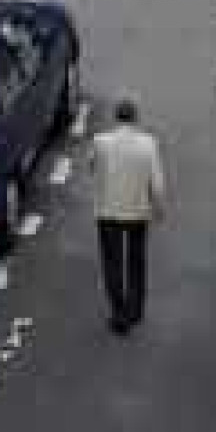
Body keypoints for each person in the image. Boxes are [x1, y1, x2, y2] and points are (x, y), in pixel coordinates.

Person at [89, 97, 167, 336]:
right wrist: (159, 207)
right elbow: (157, 182)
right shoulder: (148, 144)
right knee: (136, 261)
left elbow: (91, 165)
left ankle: (119, 313)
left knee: (112, 263)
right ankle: (135, 310)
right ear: (135, 118)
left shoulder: (100, 141)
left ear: (116, 117)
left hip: (108, 211)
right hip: (137, 210)